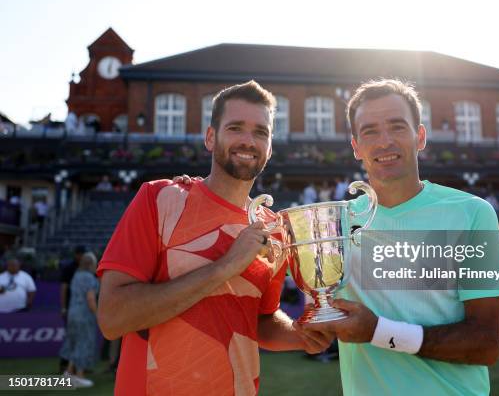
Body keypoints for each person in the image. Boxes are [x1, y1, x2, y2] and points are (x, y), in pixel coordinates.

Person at [96, 81, 333, 395]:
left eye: (261, 132)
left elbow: (260, 321)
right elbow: (112, 317)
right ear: (211, 137)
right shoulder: (159, 199)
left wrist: (300, 334)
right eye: (235, 128)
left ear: (270, 147)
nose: (248, 141)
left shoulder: (273, 229)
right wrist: (225, 266)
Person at [301, 79, 499, 395]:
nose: (384, 141)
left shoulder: (472, 214)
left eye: (397, 127)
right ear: (356, 146)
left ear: (420, 137)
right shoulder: (334, 224)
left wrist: (378, 332)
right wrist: (311, 327)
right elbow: (320, 313)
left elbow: (487, 342)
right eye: (370, 131)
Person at [59, 252, 99, 388]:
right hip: (84, 314)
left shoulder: (76, 275)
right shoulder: (89, 278)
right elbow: (90, 299)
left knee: (74, 342)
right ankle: (79, 375)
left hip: (72, 313)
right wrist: (98, 314)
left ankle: (69, 372)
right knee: (84, 342)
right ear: (91, 264)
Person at [59, 246, 85, 373]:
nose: (81, 256)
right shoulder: (69, 268)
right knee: (72, 337)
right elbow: (64, 288)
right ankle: (65, 365)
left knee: (79, 338)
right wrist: (64, 307)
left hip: (81, 308)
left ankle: (76, 366)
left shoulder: (86, 269)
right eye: (79, 253)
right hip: (72, 307)